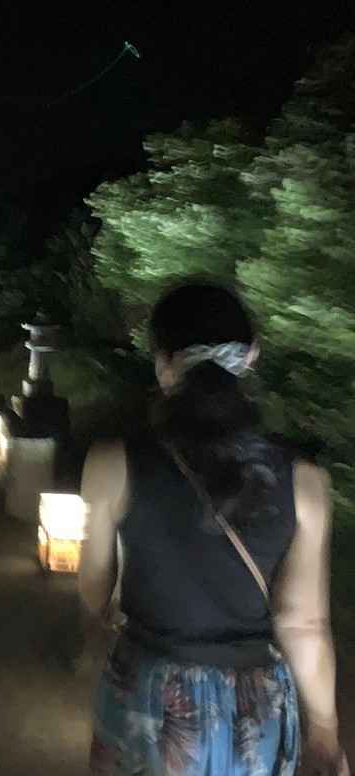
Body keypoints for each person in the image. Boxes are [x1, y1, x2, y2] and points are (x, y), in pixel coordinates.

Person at [78, 282, 348, 776]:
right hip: (255, 708)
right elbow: (302, 623)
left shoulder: (112, 462)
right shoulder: (305, 482)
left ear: (162, 364)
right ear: (250, 359)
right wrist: (325, 731)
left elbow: (94, 589)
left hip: (148, 694)